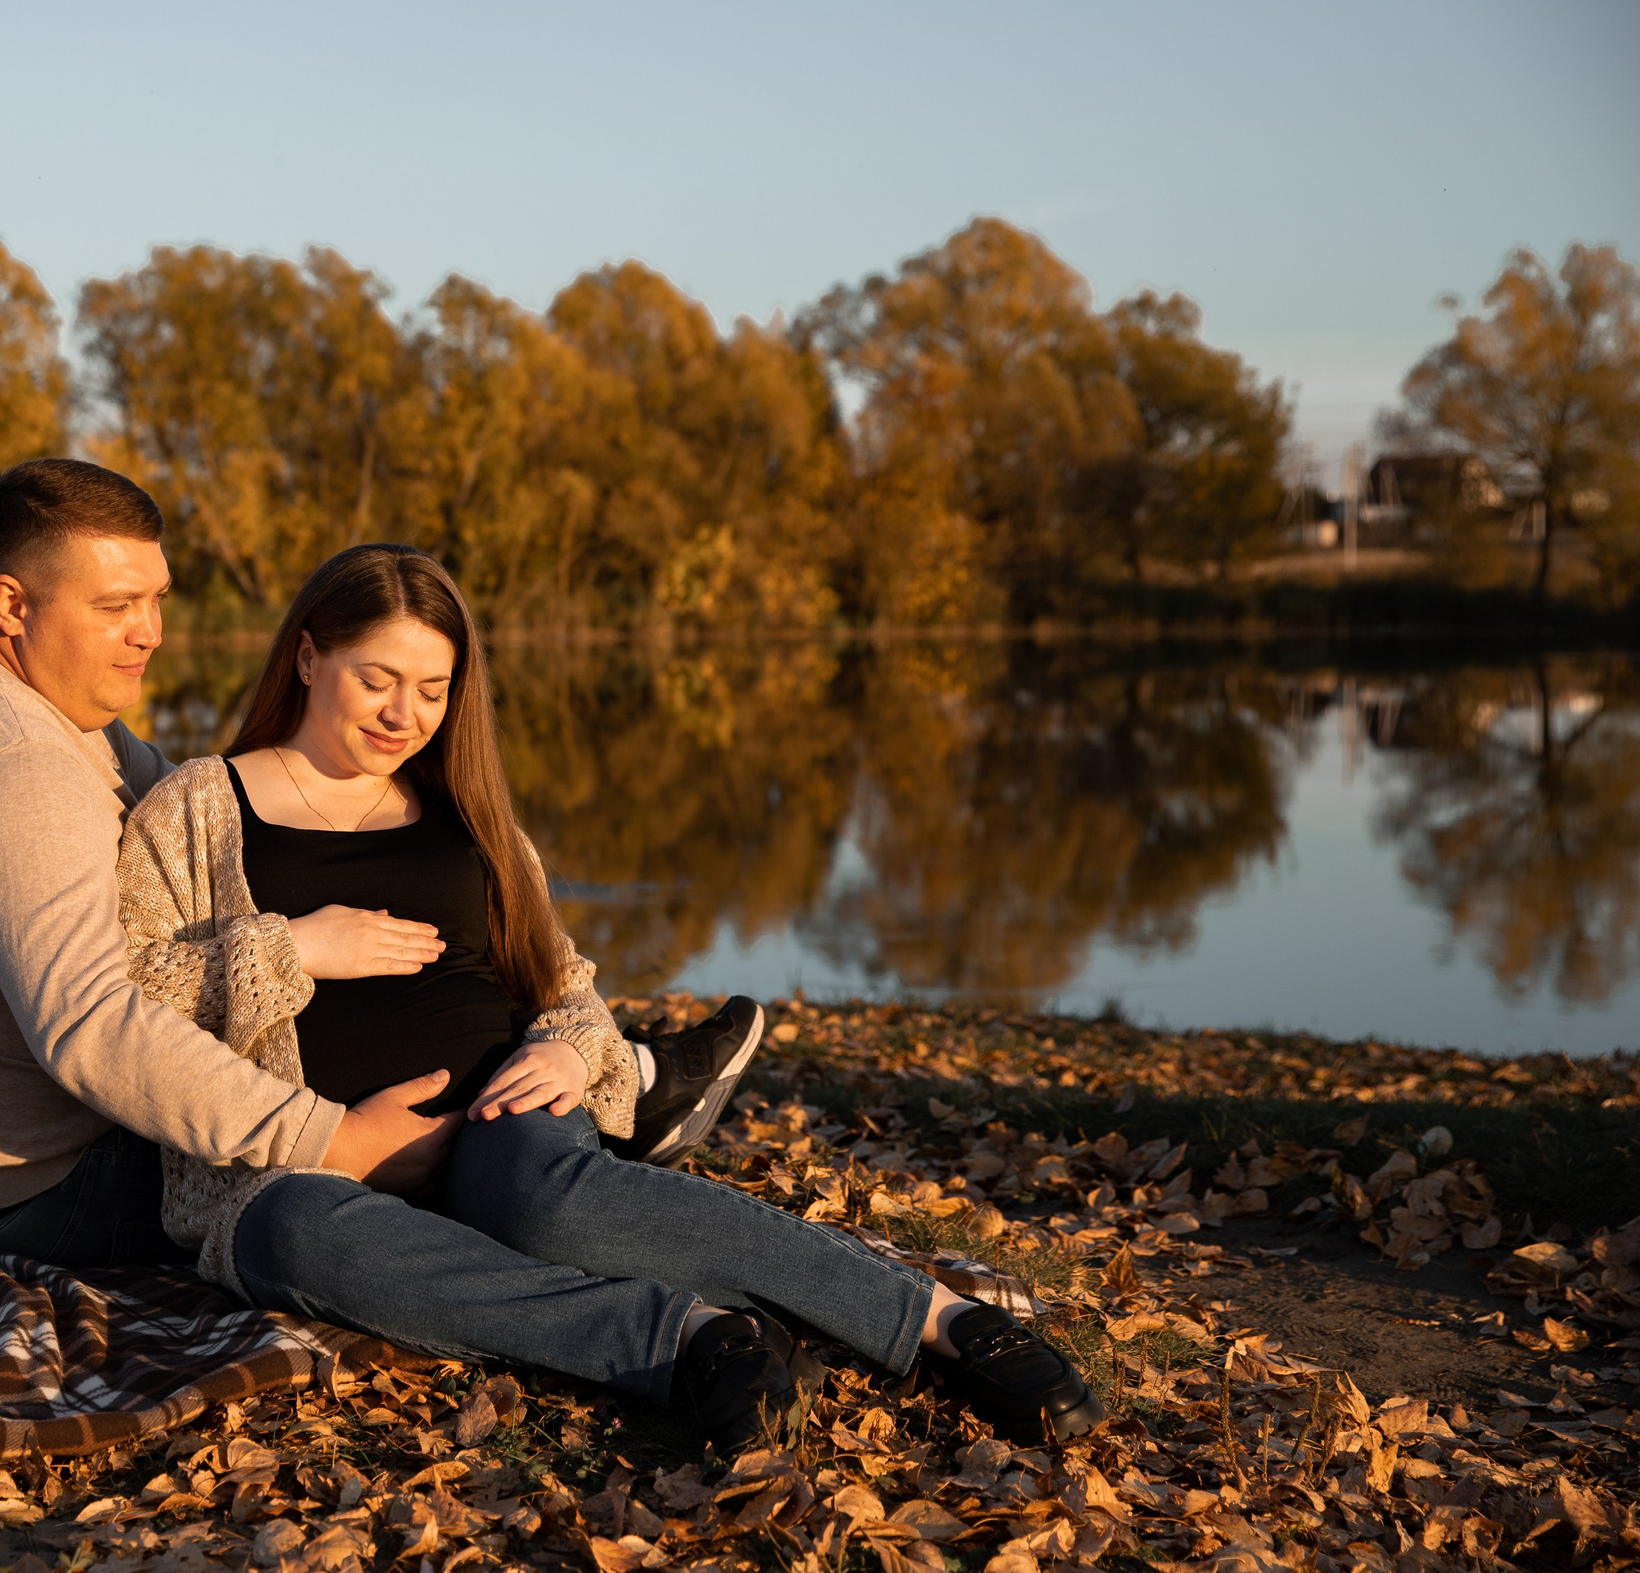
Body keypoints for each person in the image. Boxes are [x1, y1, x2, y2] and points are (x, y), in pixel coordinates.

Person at [117, 544, 1105, 1450]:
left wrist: (566, 1048)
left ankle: (935, 1317)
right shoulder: (200, 805)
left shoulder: (466, 813)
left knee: (546, 1204)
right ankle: (689, 1338)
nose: (402, 714)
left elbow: (563, 985)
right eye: (376, 679)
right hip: (306, 1158)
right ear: (306, 657)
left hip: (503, 1115)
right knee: (291, 1237)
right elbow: (124, 1004)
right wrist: (291, 948)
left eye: (432, 689)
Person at [0, 460, 751, 1272]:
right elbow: (96, 1028)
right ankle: (625, 1103)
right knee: (367, 1188)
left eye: (157, 599)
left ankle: (614, 1076)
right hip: (46, 1177)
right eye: (116, 606)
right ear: (12, 604)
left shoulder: (0, 702)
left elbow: (196, 814)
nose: (151, 632)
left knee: (486, 1126)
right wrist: (334, 1138)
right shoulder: (12, 764)